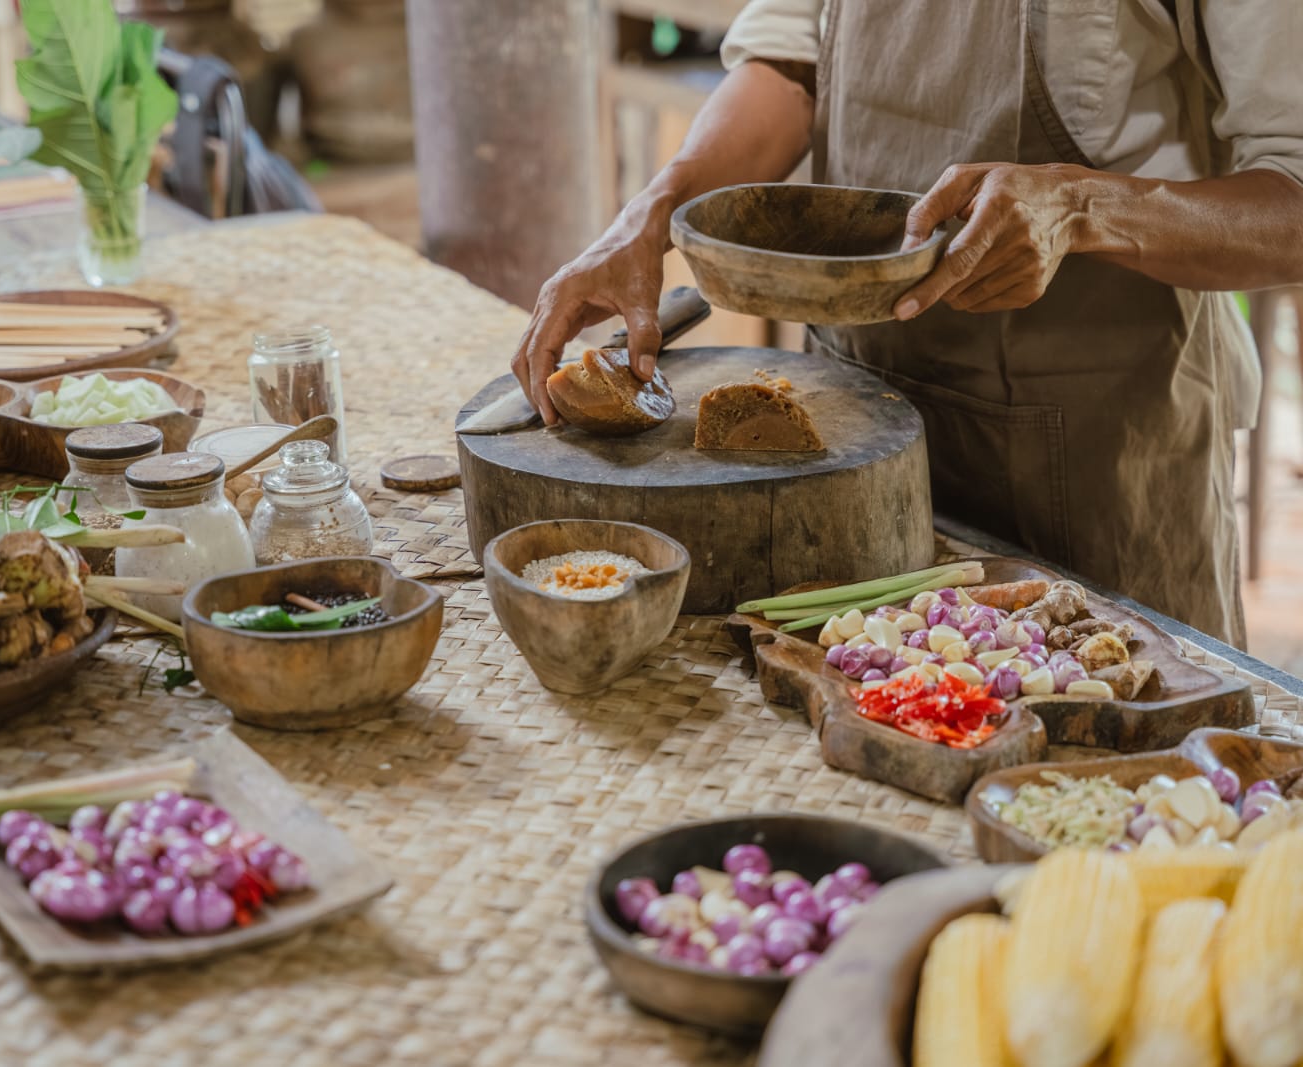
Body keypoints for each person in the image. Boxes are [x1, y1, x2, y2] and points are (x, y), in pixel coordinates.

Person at [511, 0, 1303, 647]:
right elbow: (790, 65)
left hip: (1094, 461)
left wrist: (1081, 206)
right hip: (849, 438)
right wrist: (650, 216)